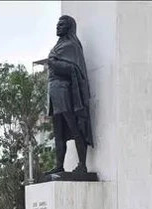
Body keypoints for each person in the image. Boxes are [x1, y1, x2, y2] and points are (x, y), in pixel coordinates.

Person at [45, 15, 94, 175]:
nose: (58, 27)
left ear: (69, 27)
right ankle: (60, 165)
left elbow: (74, 69)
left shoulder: (72, 45)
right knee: (58, 131)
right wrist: (53, 62)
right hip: (54, 91)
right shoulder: (58, 45)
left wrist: (53, 62)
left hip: (64, 91)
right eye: (57, 24)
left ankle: (82, 165)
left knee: (74, 127)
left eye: (62, 24)